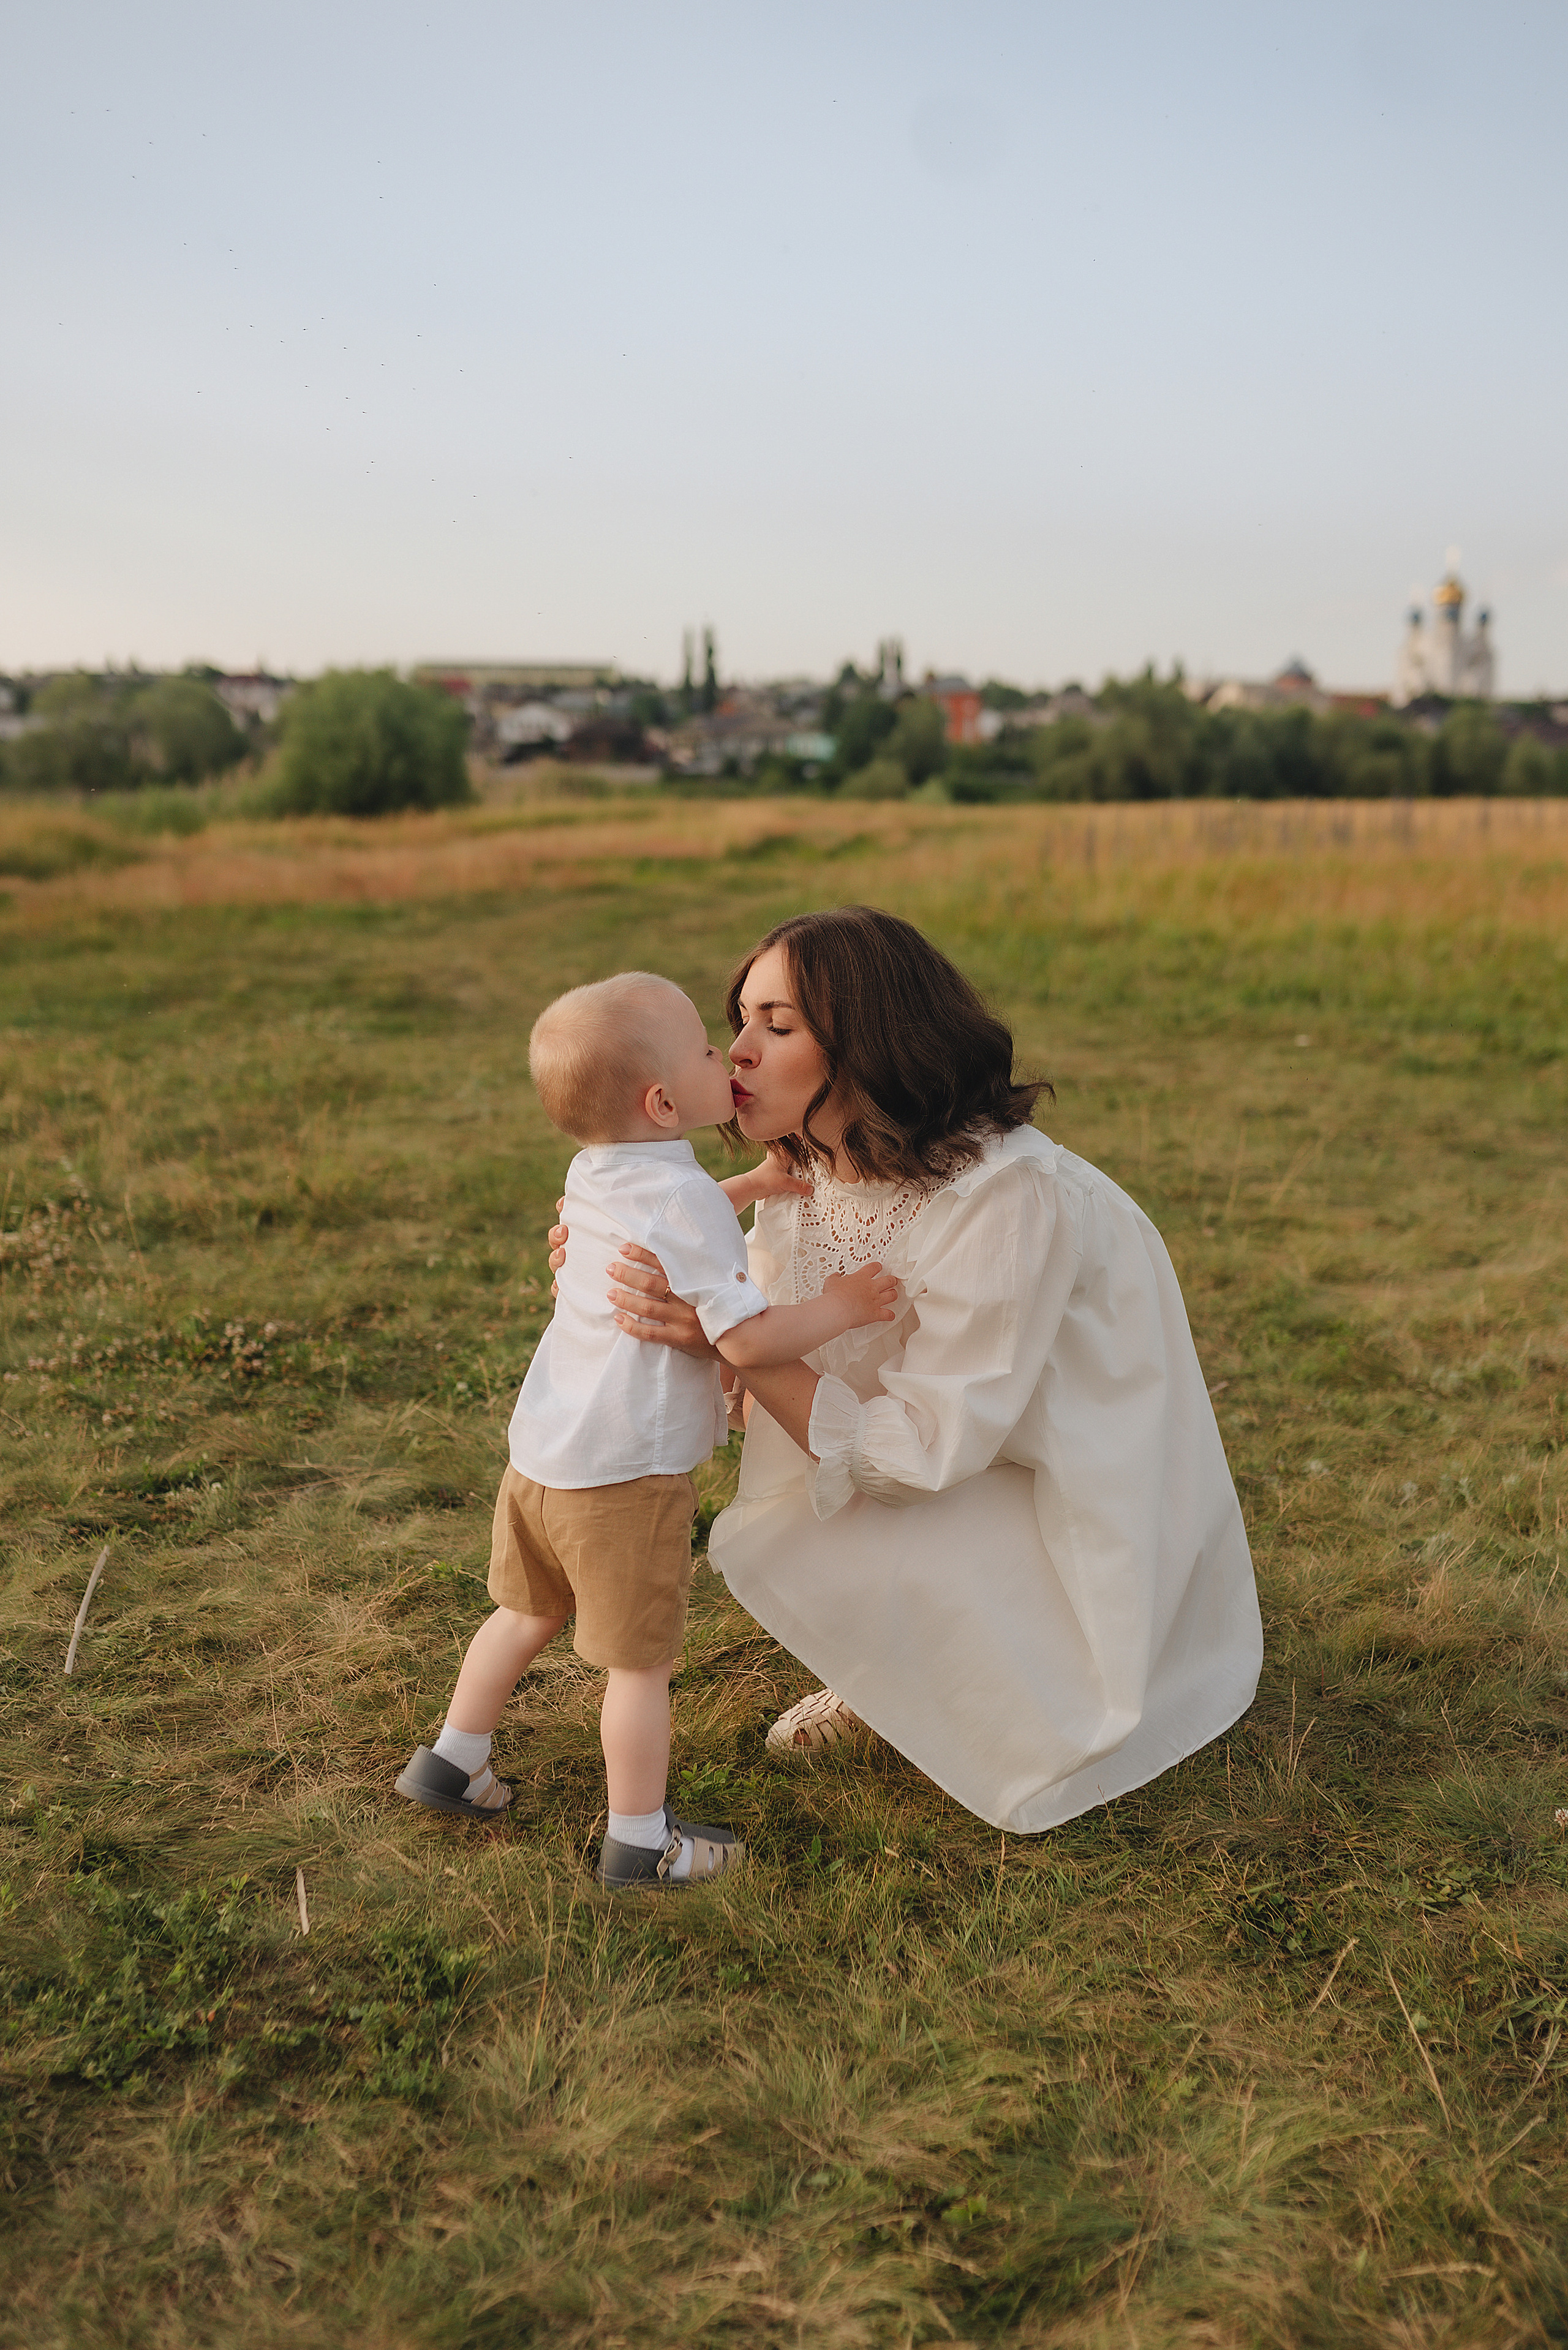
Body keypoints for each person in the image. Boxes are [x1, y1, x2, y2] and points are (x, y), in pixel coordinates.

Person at [565, 908, 1263, 1837]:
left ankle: (990, 1655)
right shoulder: (807, 1165)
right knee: (818, 1486)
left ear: (867, 1044)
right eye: (738, 1021)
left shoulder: (1008, 1196)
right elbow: (748, 1341)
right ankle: (897, 1662)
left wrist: (722, 1338)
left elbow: (916, 1454)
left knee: (869, 1488)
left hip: (1064, 1493)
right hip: (952, 1458)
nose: (736, 1051)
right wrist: (621, 1266)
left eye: (777, 1026)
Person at [393, 970, 897, 1890]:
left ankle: (454, 1757)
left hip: (542, 1457)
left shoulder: (596, 1171)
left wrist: (750, 1182)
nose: (728, 1054)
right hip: (625, 1479)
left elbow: (685, 1216)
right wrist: (836, 1304)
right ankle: (641, 1840)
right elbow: (742, 1333)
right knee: (641, 1667)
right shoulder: (688, 1205)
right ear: (666, 1100)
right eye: (710, 1051)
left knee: (525, 1612)